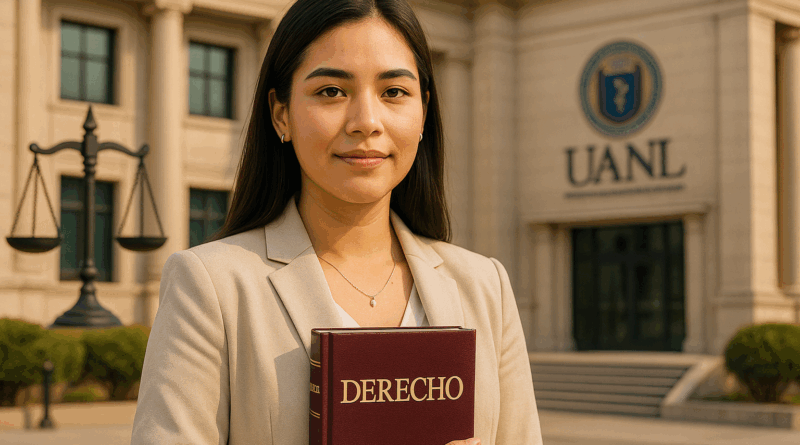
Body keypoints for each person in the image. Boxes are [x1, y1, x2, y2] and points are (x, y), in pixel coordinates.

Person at [130, 0, 543, 444]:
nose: (366, 122)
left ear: (423, 112)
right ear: (280, 114)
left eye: (394, 93)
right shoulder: (212, 285)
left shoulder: (484, 286)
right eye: (331, 91)